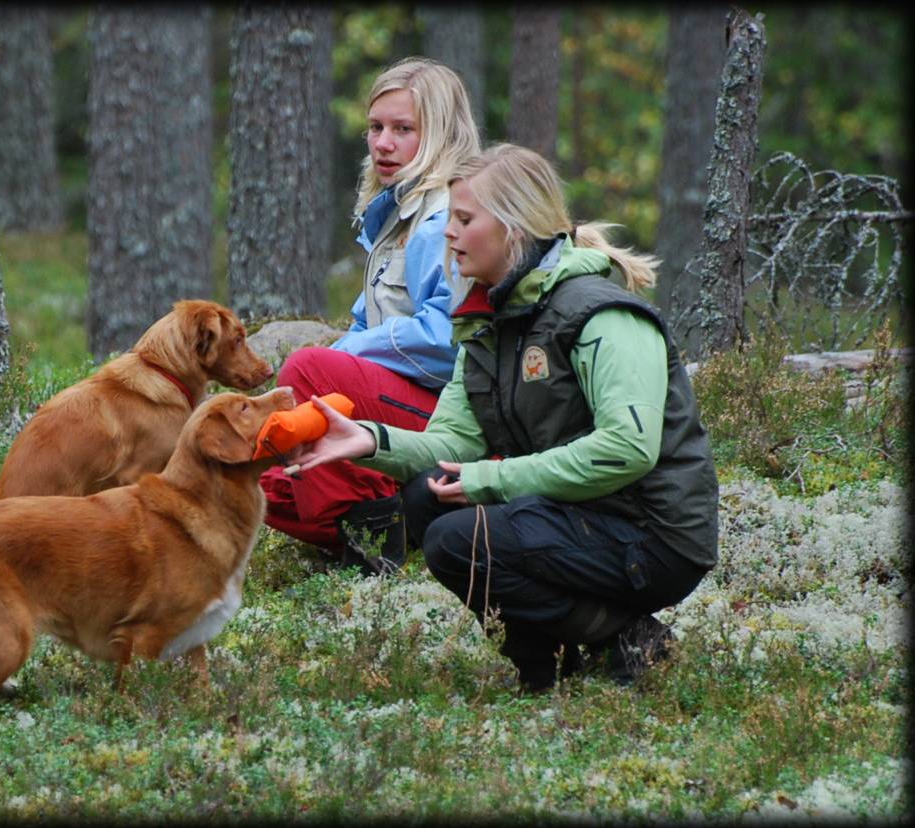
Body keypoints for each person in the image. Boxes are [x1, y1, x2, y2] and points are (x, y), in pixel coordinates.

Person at [289, 143, 719, 691]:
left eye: (464, 219)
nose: (448, 233)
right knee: (427, 495)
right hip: (581, 514)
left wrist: (490, 480)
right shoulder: (488, 319)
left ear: (513, 228)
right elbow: (453, 443)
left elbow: (627, 449)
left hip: (653, 534)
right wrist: (369, 439)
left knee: (456, 539)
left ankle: (611, 641)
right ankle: (561, 662)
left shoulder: (601, 314)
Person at [259, 57, 482, 575]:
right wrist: (347, 353)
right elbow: (365, 323)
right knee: (268, 489)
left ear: (442, 135)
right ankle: (397, 517)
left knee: (309, 372)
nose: (383, 143)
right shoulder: (396, 217)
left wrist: (336, 360)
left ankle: (373, 546)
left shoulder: (443, 219)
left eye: (404, 130)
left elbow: (446, 340)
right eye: (376, 128)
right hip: (400, 406)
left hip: (453, 416)